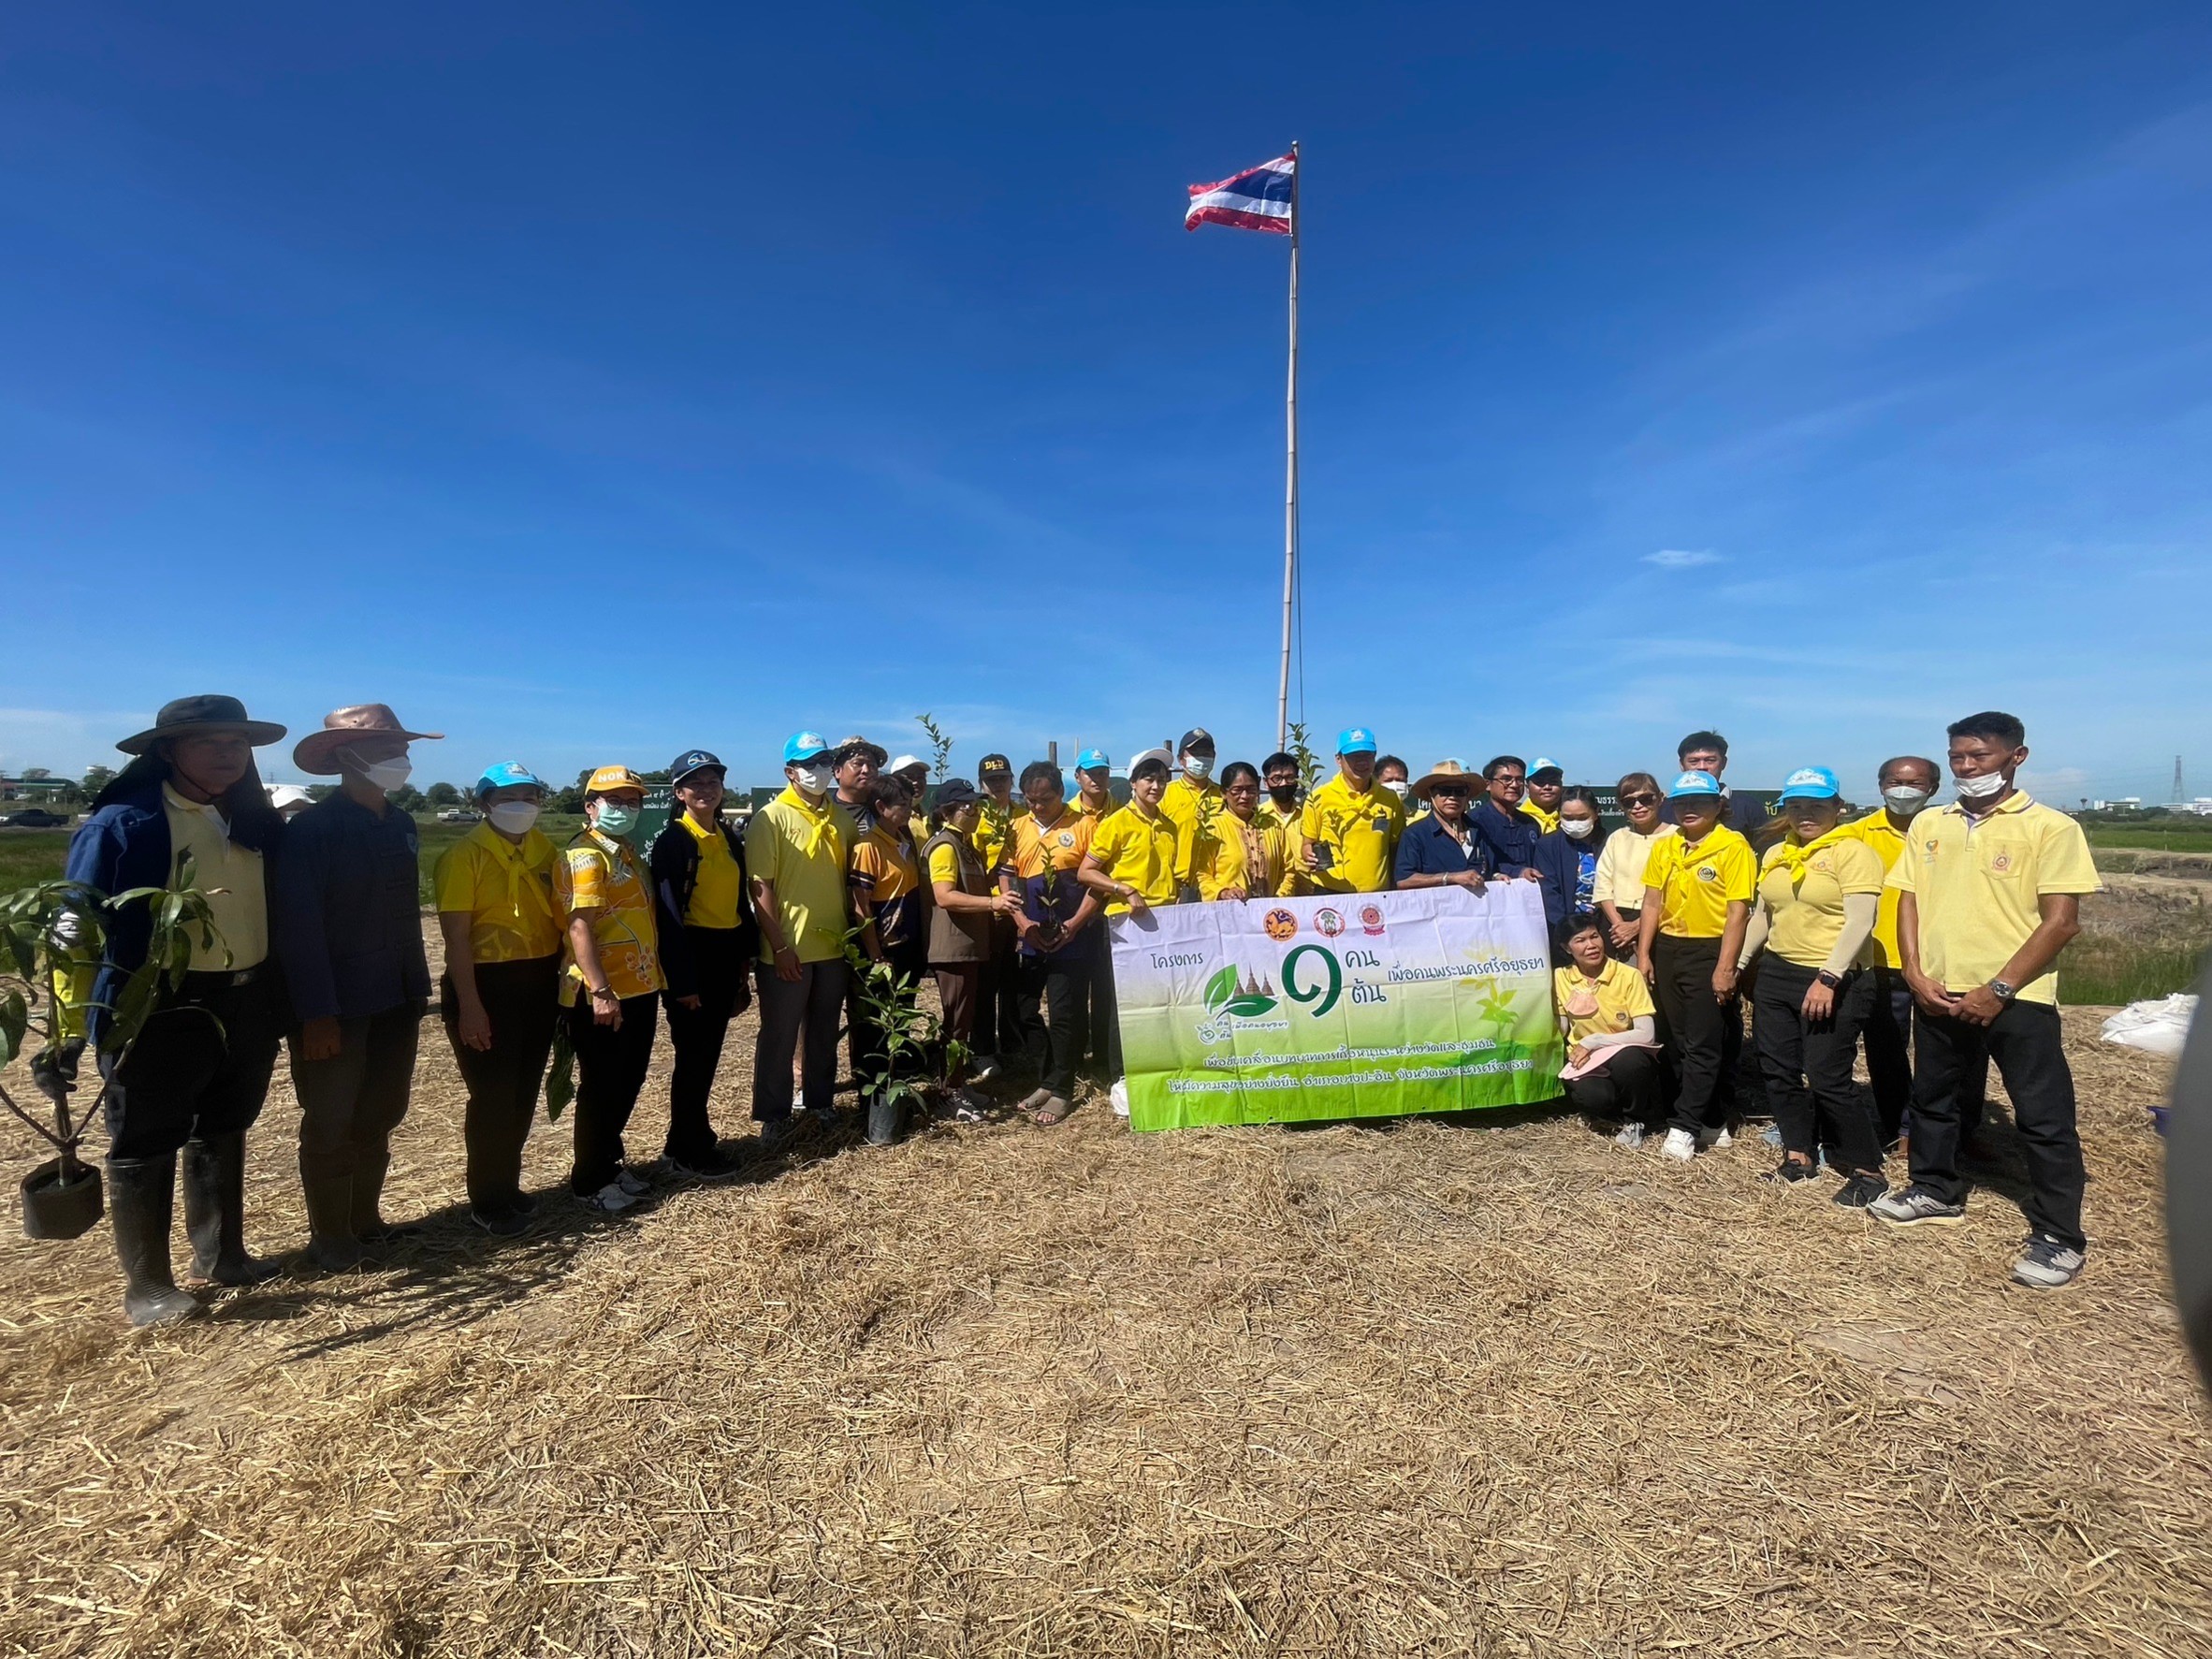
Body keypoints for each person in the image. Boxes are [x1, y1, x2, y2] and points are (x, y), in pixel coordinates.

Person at [64, 695, 288, 1325]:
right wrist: (67, 1034)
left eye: (238, 744)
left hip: (245, 996)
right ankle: (148, 1286)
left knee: (223, 1122)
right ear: (168, 751)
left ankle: (222, 1255)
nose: (228, 754)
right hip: (160, 1002)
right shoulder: (125, 823)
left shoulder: (252, 819)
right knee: (146, 1134)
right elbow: (72, 926)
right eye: (210, 743)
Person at [1869, 713, 2103, 1290]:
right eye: (1958, 757)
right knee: (1936, 1098)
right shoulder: (1931, 823)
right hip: (1939, 989)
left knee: (2043, 1117)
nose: (1967, 768)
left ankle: (2058, 1236)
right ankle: (1934, 1188)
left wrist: (1998, 988)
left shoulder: (2051, 828)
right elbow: (1908, 900)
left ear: (2016, 757)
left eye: (1981, 756)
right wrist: (1917, 971)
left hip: (2015, 998)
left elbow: (2062, 922)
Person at [279, 704, 443, 1270]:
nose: (397, 761)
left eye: (401, 749)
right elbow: (299, 929)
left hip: (397, 995)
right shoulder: (312, 831)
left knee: (382, 1110)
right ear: (345, 757)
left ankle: (365, 1220)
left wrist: (416, 990)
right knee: (330, 1119)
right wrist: (316, 1013)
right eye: (383, 751)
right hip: (338, 1005)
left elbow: (404, 914)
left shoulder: (401, 822)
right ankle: (330, 1237)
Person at [1738, 767, 1889, 1208]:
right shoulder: (1776, 854)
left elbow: (1862, 922)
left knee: (1827, 1076)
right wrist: (1740, 964)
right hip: (1778, 972)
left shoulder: (1852, 852)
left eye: (1817, 805)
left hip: (1835, 978)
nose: (1806, 814)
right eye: (1796, 805)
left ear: (1837, 808)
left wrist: (1828, 977)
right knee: (1779, 1070)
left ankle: (1866, 1169)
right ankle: (1798, 1155)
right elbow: (1763, 917)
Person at [433, 761, 561, 1234]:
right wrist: (470, 1006)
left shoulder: (544, 848)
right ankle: (486, 1200)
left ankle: (508, 1185)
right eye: (509, 798)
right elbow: (457, 941)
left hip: (538, 979)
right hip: (486, 983)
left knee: (524, 1090)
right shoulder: (464, 856)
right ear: (484, 804)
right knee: (492, 1094)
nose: (520, 807)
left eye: (530, 797)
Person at [556, 766, 664, 1213]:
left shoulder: (628, 852)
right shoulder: (585, 856)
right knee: (601, 1084)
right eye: (613, 800)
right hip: (602, 992)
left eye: (632, 801)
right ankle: (588, 1179)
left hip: (640, 984)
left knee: (629, 1078)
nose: (624, 808)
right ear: (590, 807)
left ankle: (608, 1161)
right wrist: (601, 990)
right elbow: (580, 928)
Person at [648, 749, 756, 1184]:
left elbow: (738, 903)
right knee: (693, 1058)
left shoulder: (728, 837)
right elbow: (670, 918)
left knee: (706, 1055)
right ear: (679, 793)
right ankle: (688, 1150)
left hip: (725, 955)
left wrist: (744, 964)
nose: (705, 790)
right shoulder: (674, 841)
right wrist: (682, 981)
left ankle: (689, 1138)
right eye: (695, 784)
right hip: (692, 956)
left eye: (712, 782)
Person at [1637, 770, 1755, 1162]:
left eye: (1699, 802)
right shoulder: (1667, 845)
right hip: (1669, 949)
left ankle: (1685, 1126)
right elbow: (1652, 902)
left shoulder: (1732, 847)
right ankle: (1710, 1117)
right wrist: (1644, 954)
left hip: (1710, 949)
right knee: (1674, 1040)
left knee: (1705, 1041)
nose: (1689, 809)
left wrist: (1727, 967)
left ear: (1718, 805)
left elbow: (1738, 911)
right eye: (1682, 802)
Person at [745, 733, 857, 1148]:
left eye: (824, 760)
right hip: (787, 951)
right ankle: (773, 1115)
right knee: (779, 1035)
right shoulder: (770, 819)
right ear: (790, 771)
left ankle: (820, 1102)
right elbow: (762, 888)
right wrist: (779, 946)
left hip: (833, 947)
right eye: (808, 763)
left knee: (824, 1032)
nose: (818, 770)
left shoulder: (841, 820)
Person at [1844, 755, 1945, 1151]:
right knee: (1887, 1051)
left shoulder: (1945, 830)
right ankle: (1901, 1127)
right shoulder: (1855, 834)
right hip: (1881, 962)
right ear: (1881, 784)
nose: (1903, 791)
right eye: (1894, 781)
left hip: (1939, 960)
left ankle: (1951, 1129)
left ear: (1933, 788)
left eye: (1915, 783)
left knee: (1944, 1054)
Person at [1000, 762, 1103, 1126]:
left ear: (1061, 793)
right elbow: (1006, 875)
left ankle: (1062, 1089)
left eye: (1044, 799)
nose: (1037, 807)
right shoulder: (1017, 828)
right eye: (1030, 800)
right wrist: (1022, 922)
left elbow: (1097, 883)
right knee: (1024, 1009)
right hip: (1032, 937)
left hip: (1071, 939)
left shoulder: (1085, 825)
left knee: (1064, 1013)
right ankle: (1048, 1075)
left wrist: (1075, 924)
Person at [1077, 748, 1181, 1099]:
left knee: (1159, 998)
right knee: (1123, 1002)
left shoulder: (1169, 826)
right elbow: (1086, 872)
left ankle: (1155, 1064)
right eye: (1149, 779)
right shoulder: (1116, 823)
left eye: (1162, 780)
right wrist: (1123, 888)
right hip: (1124, 924)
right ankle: (1120, 1075)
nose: (1156, 786)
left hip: (1162, 923)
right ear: (1133, 783)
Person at [924, 778, 1020, 1113]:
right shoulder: (945, 847)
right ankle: (949, 1095)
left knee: (962, 1023)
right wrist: (992, 904)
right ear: (949, 811)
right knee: (954, 1024)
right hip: (953, 948)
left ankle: (957, 1085)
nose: (976, 811)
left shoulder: (965, 844)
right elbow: (944, 895)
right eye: (969, 806)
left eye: (977, 806)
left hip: (968, 945)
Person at [848, 776, 928, 1143]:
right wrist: (875, 952)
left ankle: (897, 1098)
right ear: (881, 807)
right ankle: (872, 1106)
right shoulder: (868, 847)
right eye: (903, 807)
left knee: (900, 1025)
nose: (909, 813)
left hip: (908, 947)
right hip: (883, 951)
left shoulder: (902, 841)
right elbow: (860, 904)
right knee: (876, 1031)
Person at [1554, 914, 1664, 1146]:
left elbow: (1646, 1034)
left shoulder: (1628, 975)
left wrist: (1594, 1041)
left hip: (1623, 1052)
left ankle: (1635, 1119)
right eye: (1580, 940)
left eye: (1595, 936)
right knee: (1594, 1098)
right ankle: (1616, 1111)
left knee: (1631, 1062)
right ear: (1566, 948)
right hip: (1586, 1060)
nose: (1591, 945)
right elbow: (1561, 1027)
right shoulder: (1560, 978)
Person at [970, 753, 1026, 1080]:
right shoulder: (975, 816)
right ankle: (982, 1048)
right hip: (988, 909)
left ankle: (1012, 1042)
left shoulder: (1022, 815)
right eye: (991, 780)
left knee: (1012, 981)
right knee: (985, 984)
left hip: (1019, 910)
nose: (998, 785)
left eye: (1003, 779)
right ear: (982, 784)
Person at [1300, 728, 1404, 895]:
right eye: (1354, 757)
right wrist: (1308, 854)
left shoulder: (1390, 799)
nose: (1362, 762)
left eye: (1367, 756)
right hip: (1331, 892)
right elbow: (1307, 844)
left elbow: (1395, 848)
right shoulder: (1319, 797)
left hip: (1378, 896)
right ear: (1338, 760)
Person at [1594, 773, 1675, 962]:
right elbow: (1603, 884)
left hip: (1662, 923)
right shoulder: (1617, 837)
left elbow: (1679, 892)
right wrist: (1620, 926)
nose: (1638, 806)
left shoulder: (1677, 836)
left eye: (1646, 799)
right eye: (1629, 802)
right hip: (1616, 924)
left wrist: (1638, 926)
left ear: (1660, 798)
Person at [1198, 762, 1296, 901]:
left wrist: (1279, 899)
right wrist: (1222, 892)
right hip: (1228, 912)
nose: (1245, 796)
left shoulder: (1273, 826)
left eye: (1251, 790)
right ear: (1224, 793)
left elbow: (1288, 870)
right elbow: (1202, 875)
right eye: (1237, 790)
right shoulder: (1213, 828)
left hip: (1269, 913)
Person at [1393, 759, 1493, 893]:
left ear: (1467, 795)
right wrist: (1450, 878)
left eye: (1460, 791)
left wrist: (1497, 875)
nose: (1453, 797)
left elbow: (1493, 867)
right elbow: (1404, 879)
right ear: (1431, 793)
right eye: (1445, 791)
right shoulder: (1415, 834)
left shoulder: (1480, 831)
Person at [1160, 728, 1224, 903]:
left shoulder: (1223, 795)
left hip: (1216, 888)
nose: (1201, 757)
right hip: (1177, 888)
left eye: (1206, 753)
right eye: (1195, 753)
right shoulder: (1165, 794)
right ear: (1181, 759)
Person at [1672, 731, 1772, 838]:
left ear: (1723, 763)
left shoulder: (1748, 806)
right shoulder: (1665, 809)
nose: (1702, 767)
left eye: (1710, 760)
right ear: (1682, 765)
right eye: (1694, 761)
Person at [1468, 756, 1546, 882]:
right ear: (1488, 784)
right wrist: (1517, 872)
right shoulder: (1474, 822)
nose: (1514, 785)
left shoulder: (1530, 824)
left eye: (1519, 780)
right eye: (1506, 779)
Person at [1257, 751, 1308, 882]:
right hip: (1274, 892)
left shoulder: (1308, 813)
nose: (1283, 784)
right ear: (1265, 782)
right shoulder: (1257, 817)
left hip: (1309, 892)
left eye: (1290, 777)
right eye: (1277, 778)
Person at [831, 735, 885, 834]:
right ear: (838, 771)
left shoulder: (885, 809)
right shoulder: (824, 811)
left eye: (872, 765)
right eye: (858, 764)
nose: (866, 770)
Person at [1071, 749, 1115, 822]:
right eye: (1090, 773)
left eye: (1102, 773)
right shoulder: (1067, 812)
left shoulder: (1122, 812)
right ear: (1077, 777)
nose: (1097, 779)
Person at [1522, 759, 1564, 834]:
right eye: (1540, 782)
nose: (1547, 787)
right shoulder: (1517, 819)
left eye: (1553, 781)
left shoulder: (1571, 817)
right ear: (1527, 787)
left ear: (1561, 786)